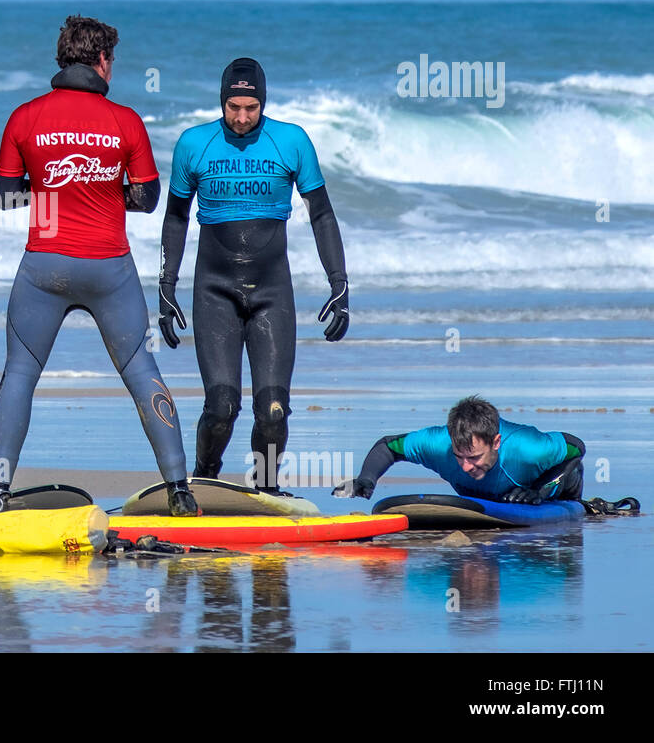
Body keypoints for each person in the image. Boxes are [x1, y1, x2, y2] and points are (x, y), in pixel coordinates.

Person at [0, 15, 197, 517]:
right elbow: (147, 198)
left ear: (61, 60)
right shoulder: (126, 120)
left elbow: (8, 199)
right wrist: (104, 187)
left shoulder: (25, 116)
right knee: (141, 368)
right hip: (109, 267)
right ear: (102, 61)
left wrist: (54, 190)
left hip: (45, 266)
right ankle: (180, 491)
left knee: (20, 373)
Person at [158, 57, 348, 492]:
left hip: (272, 292)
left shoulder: (292, 141)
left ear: (263, 103)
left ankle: (264, 490)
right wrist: (166, 287)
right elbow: (175, 220)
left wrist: (339, 283)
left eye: (251, 108)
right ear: (222, 102)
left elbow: (321, 215)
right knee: (222, 405)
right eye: (233, 107)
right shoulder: (194, 144)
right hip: (214, 292)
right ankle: (205, 477)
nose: (242, 118)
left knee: (274, 408)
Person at [332, 395, 586, 503]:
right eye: (459, 457)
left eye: (474, 457)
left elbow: (577, 447)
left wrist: (538, 490)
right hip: (484, 498)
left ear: (496, 443)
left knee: (571, 474)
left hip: (548, 492)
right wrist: (366, 480)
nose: (465, 466)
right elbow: (388, 446)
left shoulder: (530, 449)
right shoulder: (437, 444)